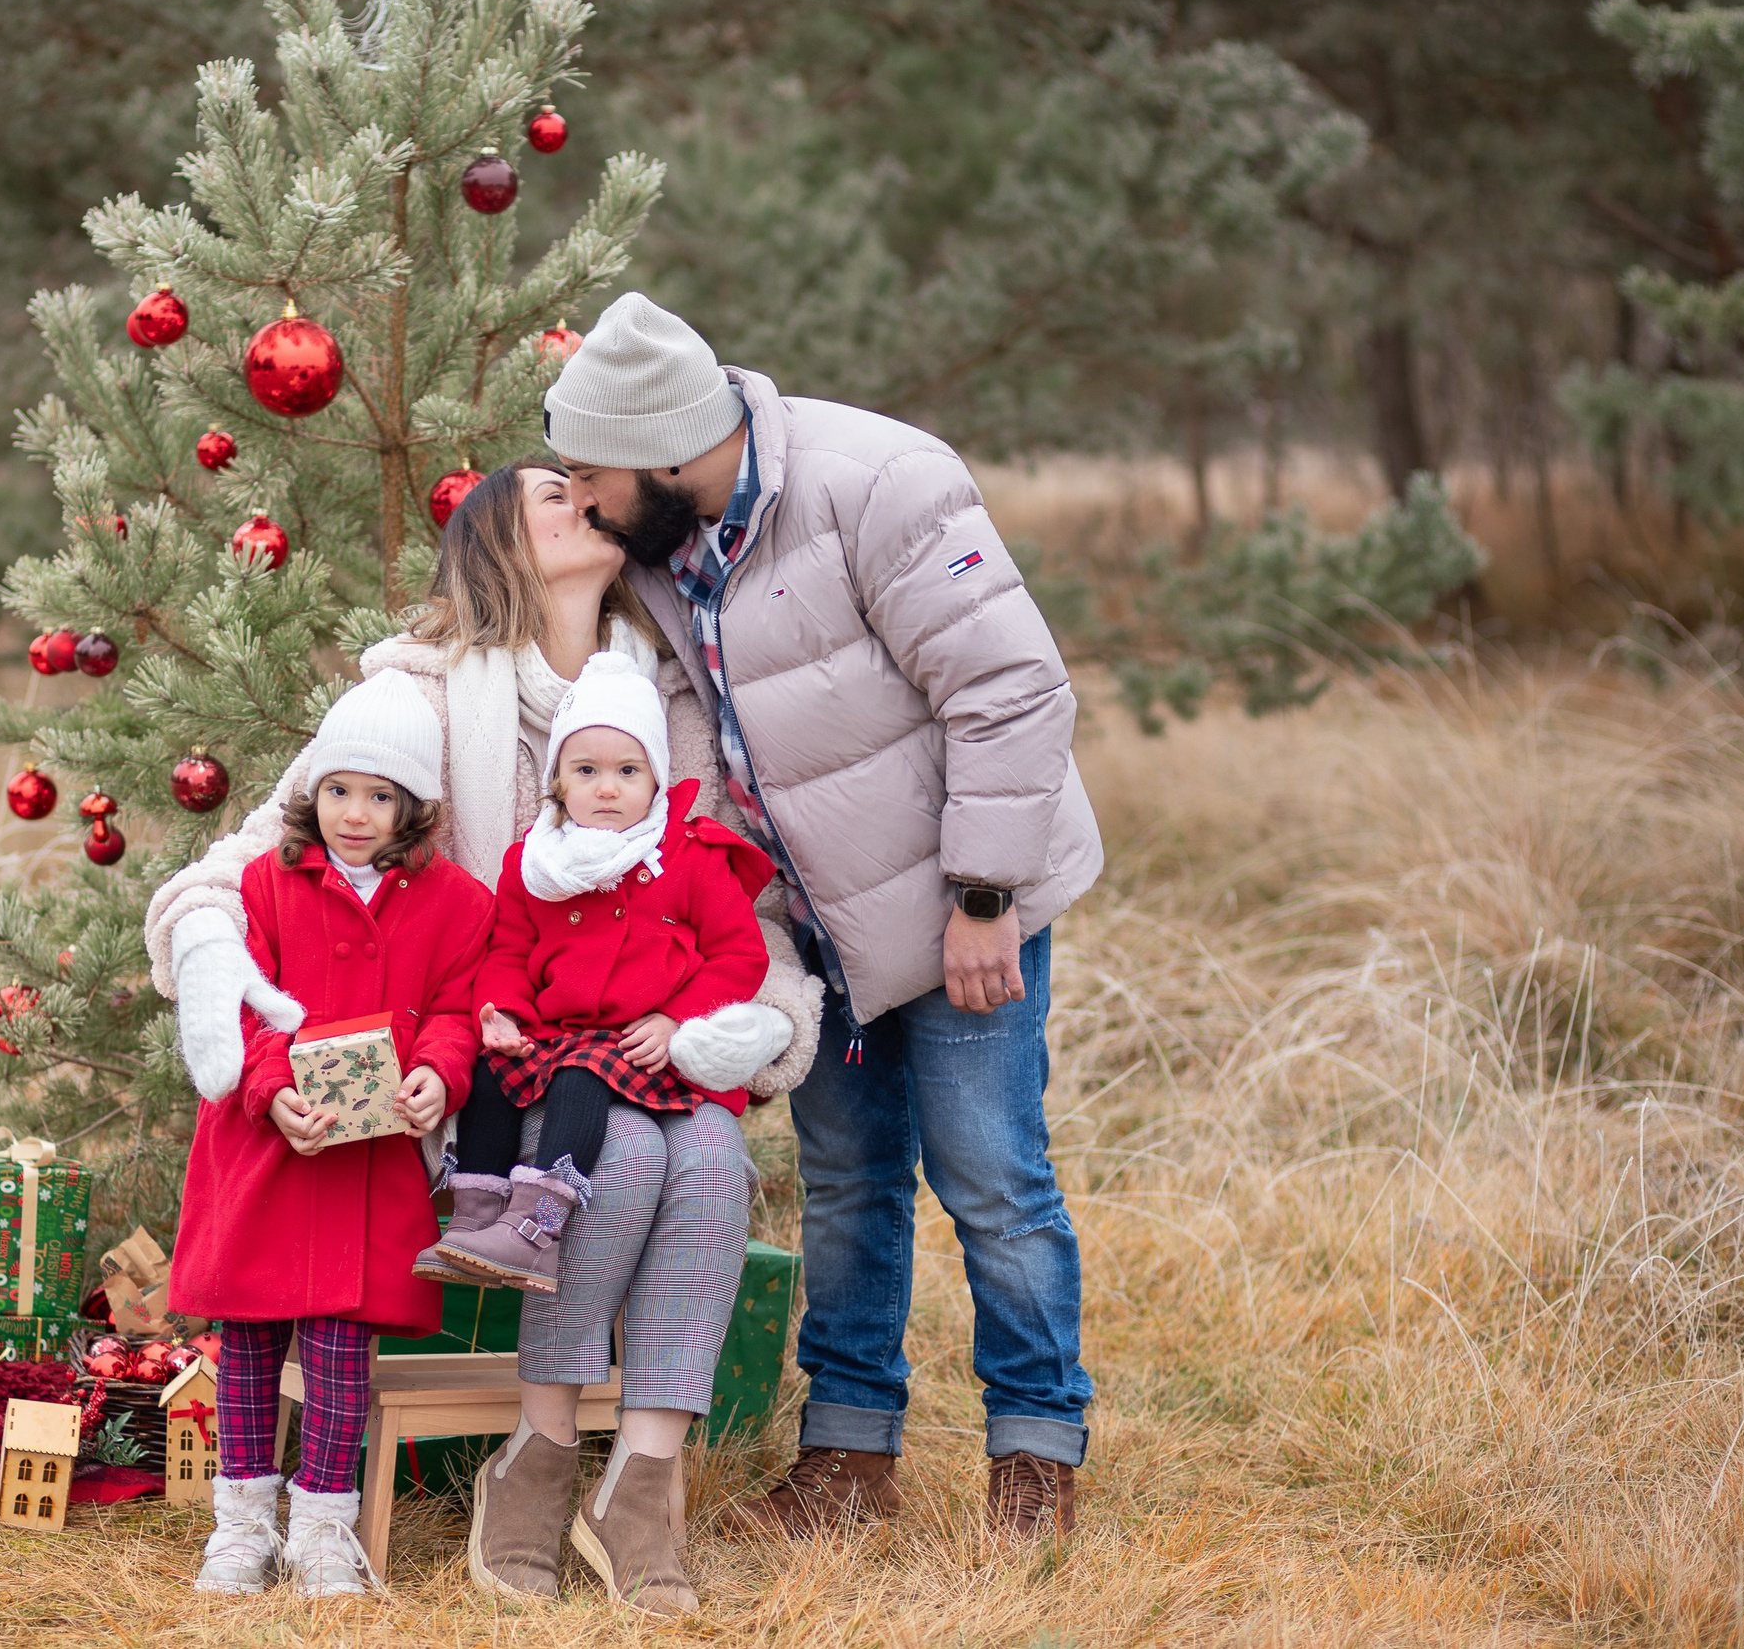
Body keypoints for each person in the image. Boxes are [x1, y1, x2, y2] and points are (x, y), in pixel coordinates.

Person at [147, 462, 824, 1604]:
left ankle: (641, 1481)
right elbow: (256, 857)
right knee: (627, 1154)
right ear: (500, 545)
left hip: (649, 1044)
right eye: (550, 495)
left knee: (711, 1159)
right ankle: (540, 1451)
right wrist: (211, 949)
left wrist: (747, 1023)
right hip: (483, 1067)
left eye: (584, 486)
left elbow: (734, 903)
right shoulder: (417, 696)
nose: (584, 499)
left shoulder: (667, 699)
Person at [540, 291, 1106, 1541]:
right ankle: (849, 1458)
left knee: (991, 1175)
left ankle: (1034, 1453)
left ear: (664, 449)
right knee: (848, 1183)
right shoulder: (657, 540)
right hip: (811, 925)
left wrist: (982, 896)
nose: (580, 502)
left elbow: (1011, 690)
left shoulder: (881, 485)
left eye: (590, 476)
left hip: (960, 899)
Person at [169, 670, 491, 1599]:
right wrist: (270, 1089)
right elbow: (246, 1002)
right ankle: (241, 1525)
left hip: (368, 1158)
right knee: (250, 1340)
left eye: (380, 796)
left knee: (343, 1348)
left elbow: (455, 1010)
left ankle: (322, 1527)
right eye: (339, 789)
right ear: (313, 790)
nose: (354, 813)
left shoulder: (457, 903)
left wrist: (439, 1074)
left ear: (414, 806)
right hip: (266, 1146)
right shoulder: (266, 883)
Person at [429, 650, 790, 1299]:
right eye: (586, 770)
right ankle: (476, 1218)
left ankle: (537, 1227)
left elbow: (741, 956)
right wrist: (503, 1012)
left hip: (638, 1044)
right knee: (490, 1072)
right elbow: (508, 950)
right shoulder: (536, 863)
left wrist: (678, 1019)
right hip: (554, 1031)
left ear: (656, 779)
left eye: (628, 770)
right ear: (558, 781)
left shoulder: (690, 856)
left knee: (580, 1074)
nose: (606, 787)